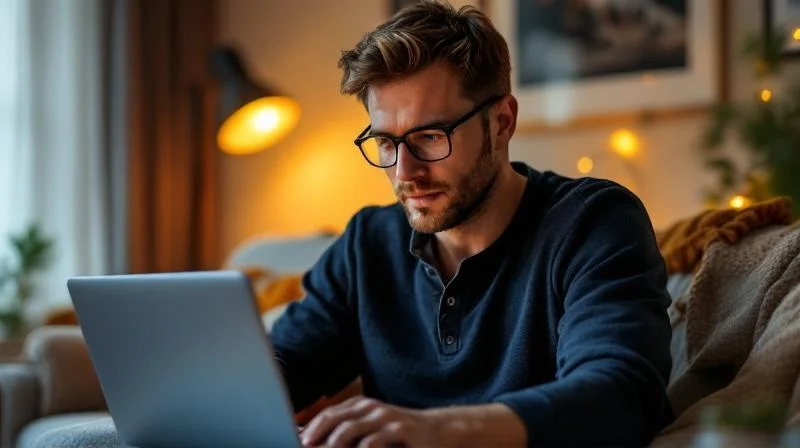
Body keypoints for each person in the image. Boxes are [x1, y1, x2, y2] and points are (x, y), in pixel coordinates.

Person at [270, 1, 674, 446]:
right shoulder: (367, 245)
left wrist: (438, 428)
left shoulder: (593, 223)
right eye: (386, 142)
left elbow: (620, 395)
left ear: (502, 123)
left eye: (429, 136)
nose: (405, 172)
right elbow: (280, 367)